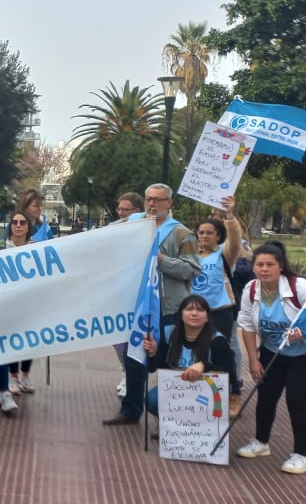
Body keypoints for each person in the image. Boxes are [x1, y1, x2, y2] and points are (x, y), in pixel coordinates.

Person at [104, 184, 201, 426]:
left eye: (158, 200)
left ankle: (170, 415)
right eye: (148, 199)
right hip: (137, 307)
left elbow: (192, 269)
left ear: (169, 203)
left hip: (168, 309)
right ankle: (130, 410)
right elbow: (104, 238)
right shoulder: (133, 226)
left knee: (170, 359)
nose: (152, 204)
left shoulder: (181, 234)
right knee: (134, 359)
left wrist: (161, 260)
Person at [235, 243, 306, 475]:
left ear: (281, 266)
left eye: (270, 265)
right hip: (273, 351)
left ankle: (302, 455)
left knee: (296, 399)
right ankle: (261, 442)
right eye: (259, 264)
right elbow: (246, 325)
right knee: (265, 396)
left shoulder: (300, 287)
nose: (264, 269)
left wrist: (303, 331)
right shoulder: (251, 289)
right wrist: (253, 360)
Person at [141, 294, 235, 440]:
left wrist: (204, 366)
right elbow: (159, 367)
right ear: (181, 314)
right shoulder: (170, 334)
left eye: (200, 310)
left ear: (207, 316)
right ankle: (169, 422)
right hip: (178, 389)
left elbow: (229, 370)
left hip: (207, 393)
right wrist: (154, 353)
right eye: (189, 309)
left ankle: (202, 428)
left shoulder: (217, 340)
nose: (194, 313)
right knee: (152, 399)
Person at [192, 195, 251, 414]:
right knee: (198, 354)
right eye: (201, 232)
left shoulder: (225, 254)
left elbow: (235, 239)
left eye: (210, 233)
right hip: (195, 313)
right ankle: (203, 393)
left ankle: (233, 394)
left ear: (218, 236)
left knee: (223, 354)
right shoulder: (191, 255)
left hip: (220, 312)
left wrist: (229, 215)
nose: (205, 236)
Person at [0, 212, 36, 413]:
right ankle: (5, 391)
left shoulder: (35, 250)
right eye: (14, 222)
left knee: (15, 348)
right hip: (1, 307)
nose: (18, 226)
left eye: (22, 222)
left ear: (28, 227)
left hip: (25, 308)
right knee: (3, 348)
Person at [109, 192, 145, 397]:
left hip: (140, 291)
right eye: (119, 209)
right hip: (118, 290)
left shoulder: (149, 229)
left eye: (125, 209)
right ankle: (126, 371)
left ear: (137, 211)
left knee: (138, 337)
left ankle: (134, 377)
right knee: (117, 337)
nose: (121, 213)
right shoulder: (112, 229)